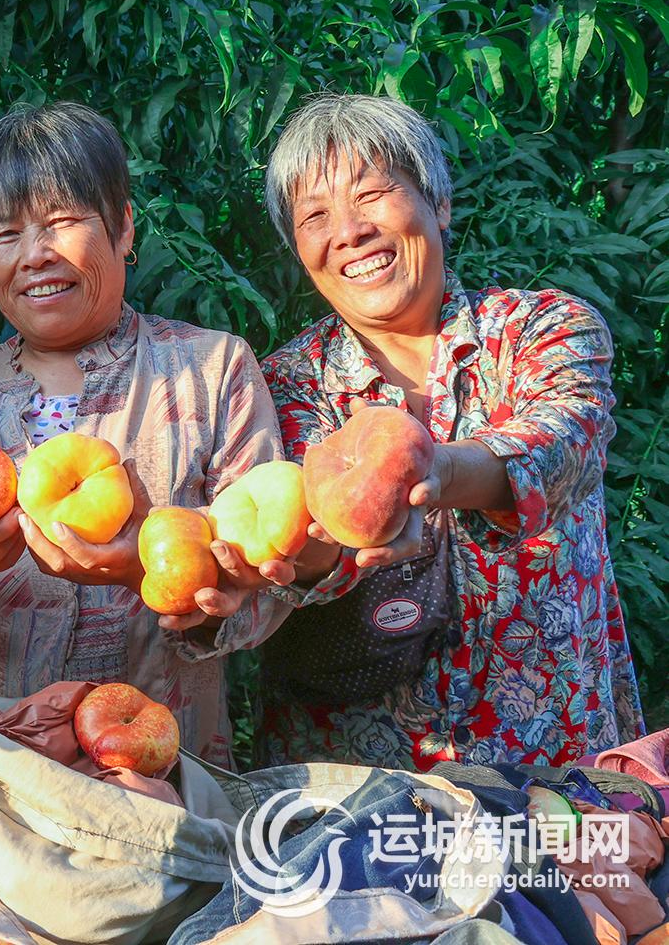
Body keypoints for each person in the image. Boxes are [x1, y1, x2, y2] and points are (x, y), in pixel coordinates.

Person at [0, 102, 348, 765]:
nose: (35, 255)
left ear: (123, 226)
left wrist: (152, 569)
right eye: (5, 234)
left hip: (164, 768)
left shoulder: (211, 371)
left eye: (61, 223)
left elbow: (263, 582)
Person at [256, 92, 643, 768]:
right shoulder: (283, 385)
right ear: (300, 250)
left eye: (372, 194)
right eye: (315, 216)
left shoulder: (544, 329)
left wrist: (432, 472)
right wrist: (295, 555)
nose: (349, 231)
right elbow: (298, 537)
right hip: (356, 785)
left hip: (549, 760)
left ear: (439, 204)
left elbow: (561, 443)